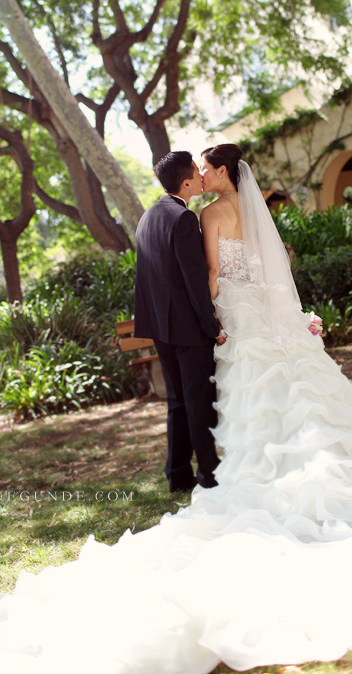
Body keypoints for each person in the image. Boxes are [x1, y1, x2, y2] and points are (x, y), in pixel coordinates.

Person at [0, 145, 352, 674]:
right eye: (197, 170)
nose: (201, 174)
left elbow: (210, 274)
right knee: (290, 388)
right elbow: (268, 270)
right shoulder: (254, 210)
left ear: (223, 171)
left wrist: (215, 320)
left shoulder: (204, 214)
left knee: (226, 396)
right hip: (269, 317)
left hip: (233, 319)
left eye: (206, 167)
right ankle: (252, 462)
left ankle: (221, 470)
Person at [133, 150, 225, 492]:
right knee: (198, 400)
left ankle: (177, 475)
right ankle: (209, 473)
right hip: (186, 328)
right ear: (185, 183)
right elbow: (194, 280)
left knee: (178, 401)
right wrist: (212, 326)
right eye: (196, 175)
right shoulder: (183, 219)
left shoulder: (148, 216)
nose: (202, 178)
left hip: (159, 327)